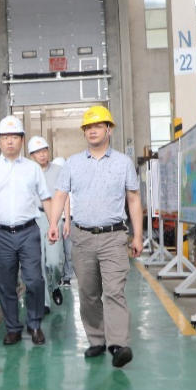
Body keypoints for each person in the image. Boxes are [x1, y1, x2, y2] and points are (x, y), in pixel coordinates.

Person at [47, 105, 143, 368]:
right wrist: (53, 223)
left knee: (114, 291)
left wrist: (137, 235)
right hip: (82, 238)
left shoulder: (123, 163)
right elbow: (60, 195)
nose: (92, 131)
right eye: (88, 127)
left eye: (98, 126)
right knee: (88, 293)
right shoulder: (73, 163)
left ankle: (118, 344)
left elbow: (134, 200)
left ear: (109, 129)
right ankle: (97, 339)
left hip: (114, 237)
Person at [0, 116, 55, 346]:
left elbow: (46, 198)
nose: (10, 141)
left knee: (34, 280)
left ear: (22, 140)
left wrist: (53, 224)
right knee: (6, 283)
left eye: (14, 137)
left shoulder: (33, 169)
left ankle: (34, 324)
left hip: (28, 232)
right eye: (5, 137)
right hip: (0, 234)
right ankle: (13, 328)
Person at [26, 136, 69, 314]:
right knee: (39, 262)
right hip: (34, 218)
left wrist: (66, 220)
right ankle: (44, 302)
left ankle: (55, 286)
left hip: (54, 217)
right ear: (32, 155)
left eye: (44, 150)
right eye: (38, 152)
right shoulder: (28, 172)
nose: (42, 154)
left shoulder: (59, 170)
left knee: (54, 261)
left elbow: (64, 195)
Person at [51, 156, 74, 287]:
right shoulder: (52, 184)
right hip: (57, 221)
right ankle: (57, 276)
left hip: (70, 220)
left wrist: (69, 221)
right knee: (57, 252)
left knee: (69, 251)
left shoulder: (72, 183)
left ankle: (67, 277)